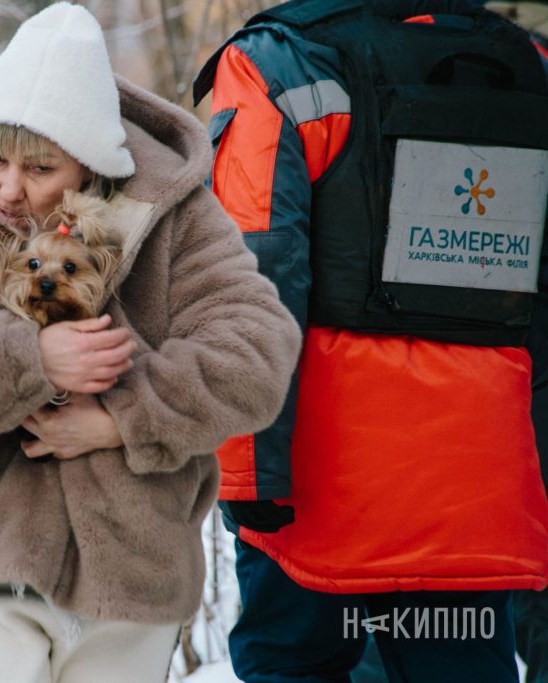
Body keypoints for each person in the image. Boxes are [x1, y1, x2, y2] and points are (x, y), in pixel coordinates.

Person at [0, 3, 301, 681]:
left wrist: (121, 415)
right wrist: (31, 361)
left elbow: (256, 352)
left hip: (132, 575)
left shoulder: (177, 216)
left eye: (40, 169)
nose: (8, 190)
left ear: (89, 164)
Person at [193, 0, 548, 681]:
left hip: (317, 500)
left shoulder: (276, 62)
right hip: (473, 493)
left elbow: (253, 279)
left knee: (292, 665)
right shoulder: (524, 65)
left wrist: (243, 472)